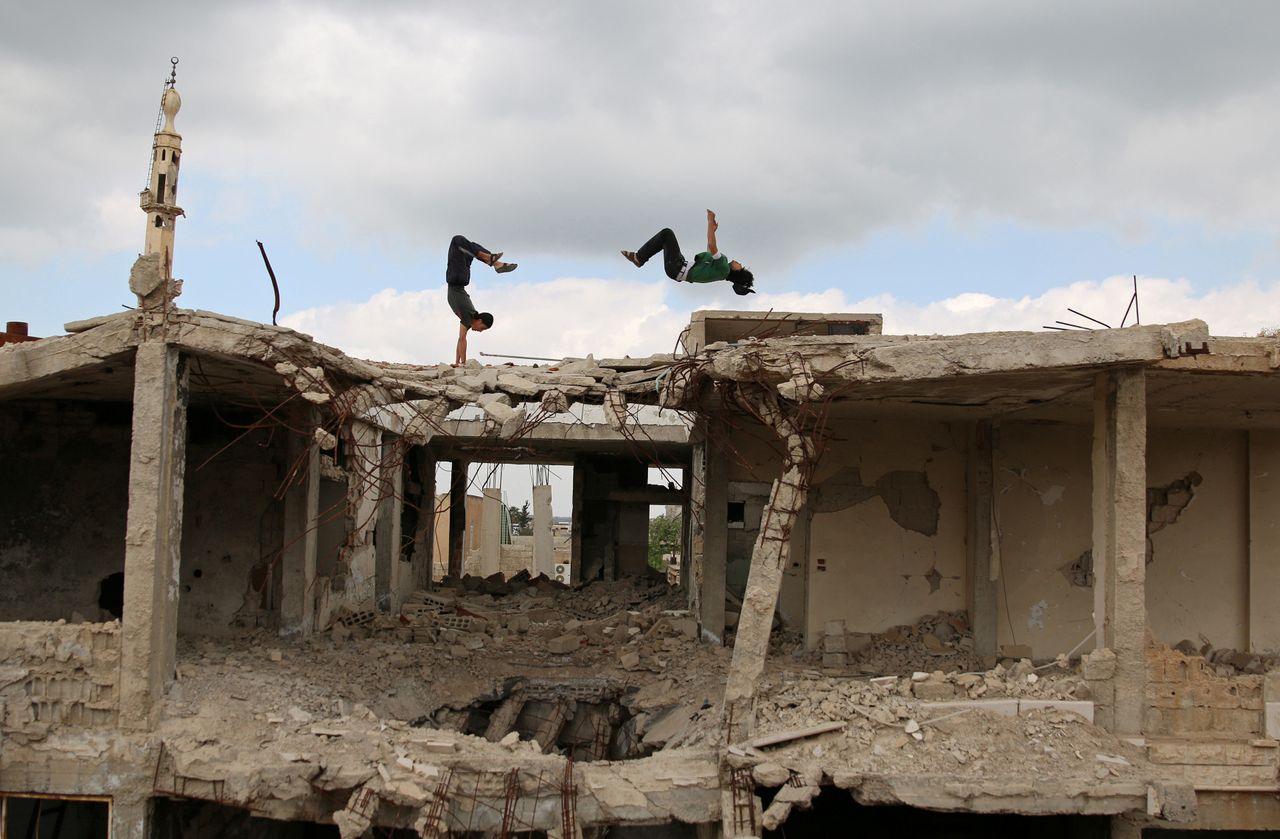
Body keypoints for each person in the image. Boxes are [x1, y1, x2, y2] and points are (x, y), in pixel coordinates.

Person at [621, 209, 754, 295]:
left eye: (740, 266)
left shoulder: (724, 267)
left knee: (667, 233)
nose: (738, 262)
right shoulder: (720, 271)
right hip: (677, 268)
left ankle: (639, 258)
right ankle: (640, 258)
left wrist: (709, 221)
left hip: (677, 267)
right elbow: (709, 251)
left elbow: (712, 246)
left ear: (737, 272)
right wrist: (712, 230)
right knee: (665, 238)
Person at [445, 234, 515, 365]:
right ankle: (492, 260)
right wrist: (464, 364)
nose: (480, 331)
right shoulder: (468, 316)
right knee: (458, 241)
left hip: (460, 279)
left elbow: (460, 339)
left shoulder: (467, 320)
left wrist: (457, 362)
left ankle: (494, 262)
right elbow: (462, 341)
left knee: (469, 247)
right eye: (482, 328)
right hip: (456, 279)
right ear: (479, 320)